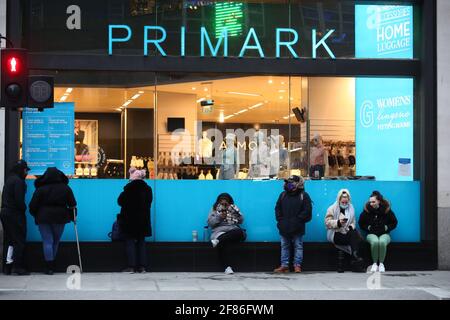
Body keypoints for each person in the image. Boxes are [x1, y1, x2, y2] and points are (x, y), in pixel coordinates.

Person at [29, 167, 77, 275]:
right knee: (55, 242)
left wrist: (36, 214)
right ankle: (53, 264)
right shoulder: (65, 188)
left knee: (47, 241)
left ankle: (49, 266)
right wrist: (73, 216)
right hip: (60, 217)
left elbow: (32, 205)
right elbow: (73, 204)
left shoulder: (41, 189)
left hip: (43, 217)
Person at [274, 175, 312, 273]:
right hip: (284, 226)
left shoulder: (304, 195)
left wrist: (297, 220)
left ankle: (297, 265)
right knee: (284, 245)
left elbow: (307, 210)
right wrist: (280, 220)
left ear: (298, 184)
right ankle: (284, 265)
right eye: (287, 182)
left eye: (291, 182)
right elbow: (277, 208)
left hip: (297, 226)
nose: (288, 184)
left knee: (298, 245)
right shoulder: (283, 195)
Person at [118, 167, 152, 273]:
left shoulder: (129, 188)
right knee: (141, 242)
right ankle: (142, 267)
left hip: (130, 220)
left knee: (130, 242)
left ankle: (131, 267)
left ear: (133, 177)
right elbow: (149, 203)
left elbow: (120, 201)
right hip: (143, 220)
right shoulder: (148, 189)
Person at [0, 160, 30, 275]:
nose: (26, 173)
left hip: (5, 212)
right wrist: (23, 209)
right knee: (18, 240)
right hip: (14, 214)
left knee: (9, 240)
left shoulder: (9, 179)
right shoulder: (19, 182)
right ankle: (18, 266)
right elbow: (19, 201)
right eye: (25, 170)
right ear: (22, 170)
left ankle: (8, 266)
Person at [325, 189, 365, 272]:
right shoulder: (332, 208)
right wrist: (338, 223)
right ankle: (356, 259)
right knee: (356, 239)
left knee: (354, 233)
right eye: (342, 202)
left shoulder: (351, 208)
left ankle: (355, 258)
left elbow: (353, 221)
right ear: (339, 200)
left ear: (348, 200)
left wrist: (350, 227)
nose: (344, 204)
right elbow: (327, 223)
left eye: (346, 202)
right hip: (335, 233)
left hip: (346, 232)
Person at [358, 191, 398, 273]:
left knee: (382, 242)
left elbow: (394, 222)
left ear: (379, 201)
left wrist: (387, 227)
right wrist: (368, 227)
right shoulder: (366, 211)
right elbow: (361, 223)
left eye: (373, 202)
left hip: (385, 234)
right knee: (375, 242)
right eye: (370, 202)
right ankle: (375, 264)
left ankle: (381, 264)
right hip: (371, 234)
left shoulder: (387, 211)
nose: (371, 204)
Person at [207, 193, 246, 274]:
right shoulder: (214, 209)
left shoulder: (233, 208)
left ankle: (218, 240)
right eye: (222, 202)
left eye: (226, 202)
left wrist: (234, 211)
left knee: (239, 232)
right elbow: (210, 223)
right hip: (219, 231)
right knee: (225, 242)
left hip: (233, 230)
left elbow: (241, 220)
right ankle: (227, 267)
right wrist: (220, 217)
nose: (224, 204)